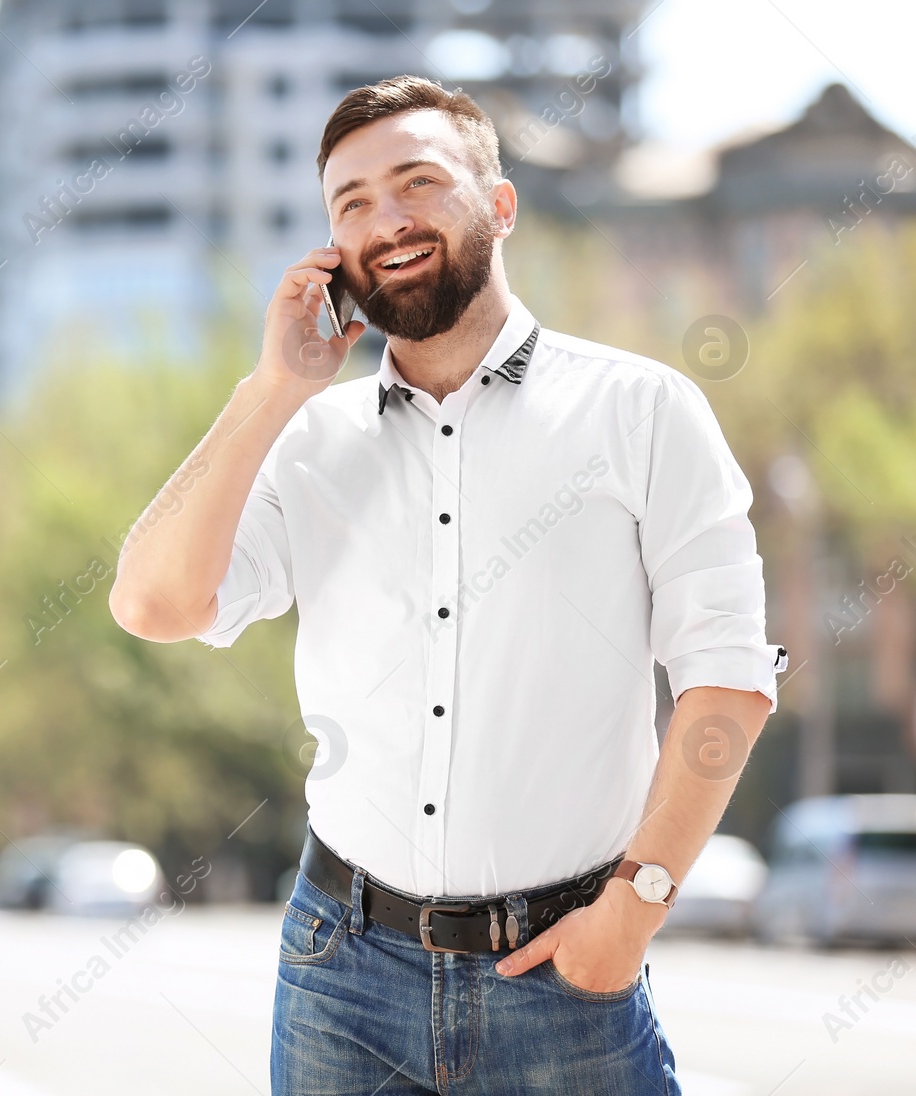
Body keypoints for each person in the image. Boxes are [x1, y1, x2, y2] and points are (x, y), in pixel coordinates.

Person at [108, 75, 786, 1095]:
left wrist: (631, 911)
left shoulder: (642, 410)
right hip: (343, 974)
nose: (386, 220)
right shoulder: (305, 441)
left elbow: (727, 678)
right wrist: (272, 389)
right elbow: (153, 604)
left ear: (499, 205)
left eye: (416, 182)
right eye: (352, 203)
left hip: (566, 976)